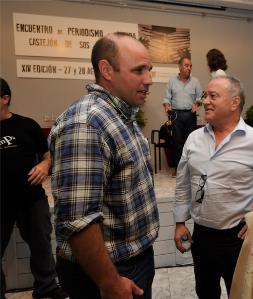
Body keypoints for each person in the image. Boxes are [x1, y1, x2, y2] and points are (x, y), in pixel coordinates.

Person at [49, 32, 159, 299]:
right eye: (139, 70)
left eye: (149, 69)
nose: (149, 79)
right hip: (108, 273)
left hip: (133, 261)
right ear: (107, 70)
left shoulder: (122, 115)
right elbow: (78, 220)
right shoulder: (87, 125)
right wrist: (110, 283)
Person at [173, 76, 253, 299]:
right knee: (205, 292)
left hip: (238, 239)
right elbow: (183, 183)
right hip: (201, 237)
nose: (205, 101)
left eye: (213, 96)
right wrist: (180, 222)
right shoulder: (193, 139)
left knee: (240, 293)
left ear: (234, 102)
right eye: (205, 96)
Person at [0, 78, 68, 299]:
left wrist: (44, 164)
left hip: (31, 198)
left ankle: (46, 287)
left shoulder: (27, 125)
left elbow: (49, 155)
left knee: (41, 243)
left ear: (5, 99)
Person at [163, 57, 203, 177]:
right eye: (186, 65)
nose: (189, 68)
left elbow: (200, 97)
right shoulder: (171, 81)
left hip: (190, 114)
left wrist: (197, 103)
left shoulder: (195, 81)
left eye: (190, 66)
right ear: (180, 67)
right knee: (177, 142)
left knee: (191, 143)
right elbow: (167, 97)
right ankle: (178, 168)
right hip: (176, 115)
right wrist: (167, 105)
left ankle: (190, 169)